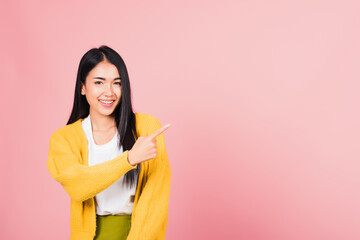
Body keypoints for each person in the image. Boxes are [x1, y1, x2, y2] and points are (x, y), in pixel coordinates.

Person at [46, 45, 171, 240]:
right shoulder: (64, 138)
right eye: (99, 82)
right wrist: (129, 159)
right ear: (82, 87)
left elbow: (156, 199)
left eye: (117, 83)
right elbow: (78, 187)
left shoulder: (146, 128)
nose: (109, 92)